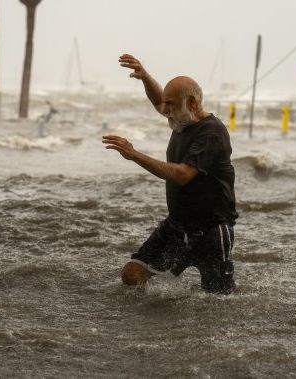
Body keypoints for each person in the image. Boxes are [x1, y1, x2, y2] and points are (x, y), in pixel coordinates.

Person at [102, 54, 238, 294]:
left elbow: (183, 174)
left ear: (193, 104)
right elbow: (159, 101)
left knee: (219, 300)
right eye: (165, 104)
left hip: (212, 231)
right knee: (132, 275)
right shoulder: (181, 120)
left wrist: (134, 155)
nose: (164, 110)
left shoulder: (211, 132)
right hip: (176, 227)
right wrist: (145, 77)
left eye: (171, 105)